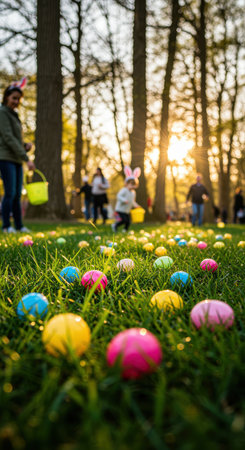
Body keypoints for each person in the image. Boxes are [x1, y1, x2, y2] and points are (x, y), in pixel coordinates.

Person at [0, 79, 35, 233]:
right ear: (7, 97)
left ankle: (19, 226)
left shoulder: (14, 115)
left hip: (16, 158)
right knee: (10, 193)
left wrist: (24, 147)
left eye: (18, 99)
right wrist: (26, 157)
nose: (16, 101)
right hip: (5, 157)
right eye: (14, 98)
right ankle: (7, 226)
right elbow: (7, 137)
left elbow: (16, 139)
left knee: (17, 195)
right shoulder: (2, 113)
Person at [111, 166, 141, 233]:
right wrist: (124, 200)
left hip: (127, 210)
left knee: (128, 221)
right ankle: (115, 225)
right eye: (131, 184)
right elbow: (118, 196)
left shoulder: (133, 193)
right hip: (120, 209)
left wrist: (136, 205)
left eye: (134, 185)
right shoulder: (124, 190)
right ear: (127, 183)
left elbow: (132, 201)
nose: (132, 186)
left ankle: (124, 231)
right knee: (124, 220)